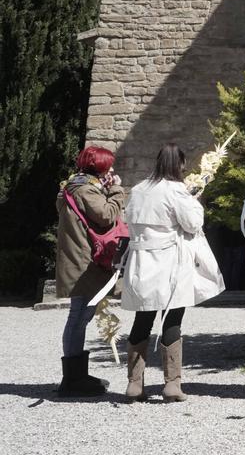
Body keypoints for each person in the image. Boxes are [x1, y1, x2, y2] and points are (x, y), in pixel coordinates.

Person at [122, 144, 225, 402]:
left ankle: (135, 384)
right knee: (172, 320)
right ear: (178, 165)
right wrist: (195, 200)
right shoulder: (176, 191)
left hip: (141, 262)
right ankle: (172, 384)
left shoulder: (137, 190)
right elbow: (193, 223)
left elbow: (129, 223)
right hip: (170, 263)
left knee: (142, 320)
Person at [55, 145, 126, 397]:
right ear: (100, 167)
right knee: (78, 317)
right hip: (83, 262)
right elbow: (106, 215)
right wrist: (116, 190)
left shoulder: (72, 186)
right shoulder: (85, 189)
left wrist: (104, 188)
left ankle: (76, 376)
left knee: (79, 317)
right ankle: (72, 380)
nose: (112, 169)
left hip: (76, 259)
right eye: (108, 165)